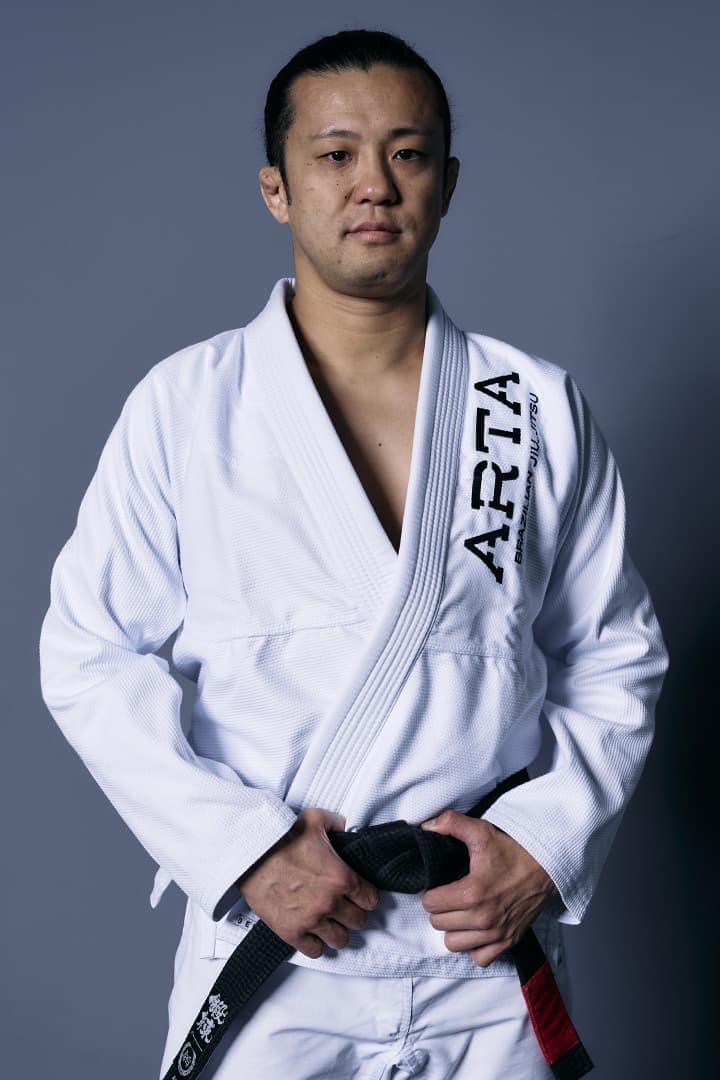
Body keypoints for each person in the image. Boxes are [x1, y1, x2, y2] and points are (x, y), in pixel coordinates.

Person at [39, 28, 668, 1080]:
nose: (374, 183)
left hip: (480, 948)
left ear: (447, 184)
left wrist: (543, 847)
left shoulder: (531, 407)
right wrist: (242, 849)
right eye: (335, 154)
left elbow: (615, 655)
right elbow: (89, 654)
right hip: (279, 944)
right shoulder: (187, 407)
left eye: (407, 153)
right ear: (276, 189)